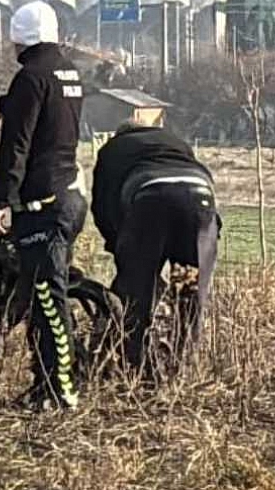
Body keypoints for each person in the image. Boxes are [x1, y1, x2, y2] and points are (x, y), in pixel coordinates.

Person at [0, 1, 87, 411]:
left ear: (16, 38)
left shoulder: (30, 77)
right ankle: (45, 385)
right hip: (70, 194)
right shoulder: (68, 73)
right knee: (45, 297)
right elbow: (51, 122)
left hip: (41, 202)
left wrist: (0, 201)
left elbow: (18, 145)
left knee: (48, 300)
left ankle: (60, 390)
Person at [91, 121, 219, 382]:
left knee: (137, 292)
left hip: (149, 199)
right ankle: (183, 372)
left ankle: (138, 371)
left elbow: (102, 205)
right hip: (200, 200)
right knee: (189, 292)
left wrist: (118, 246)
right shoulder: (176, 141)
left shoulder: (112, 149)